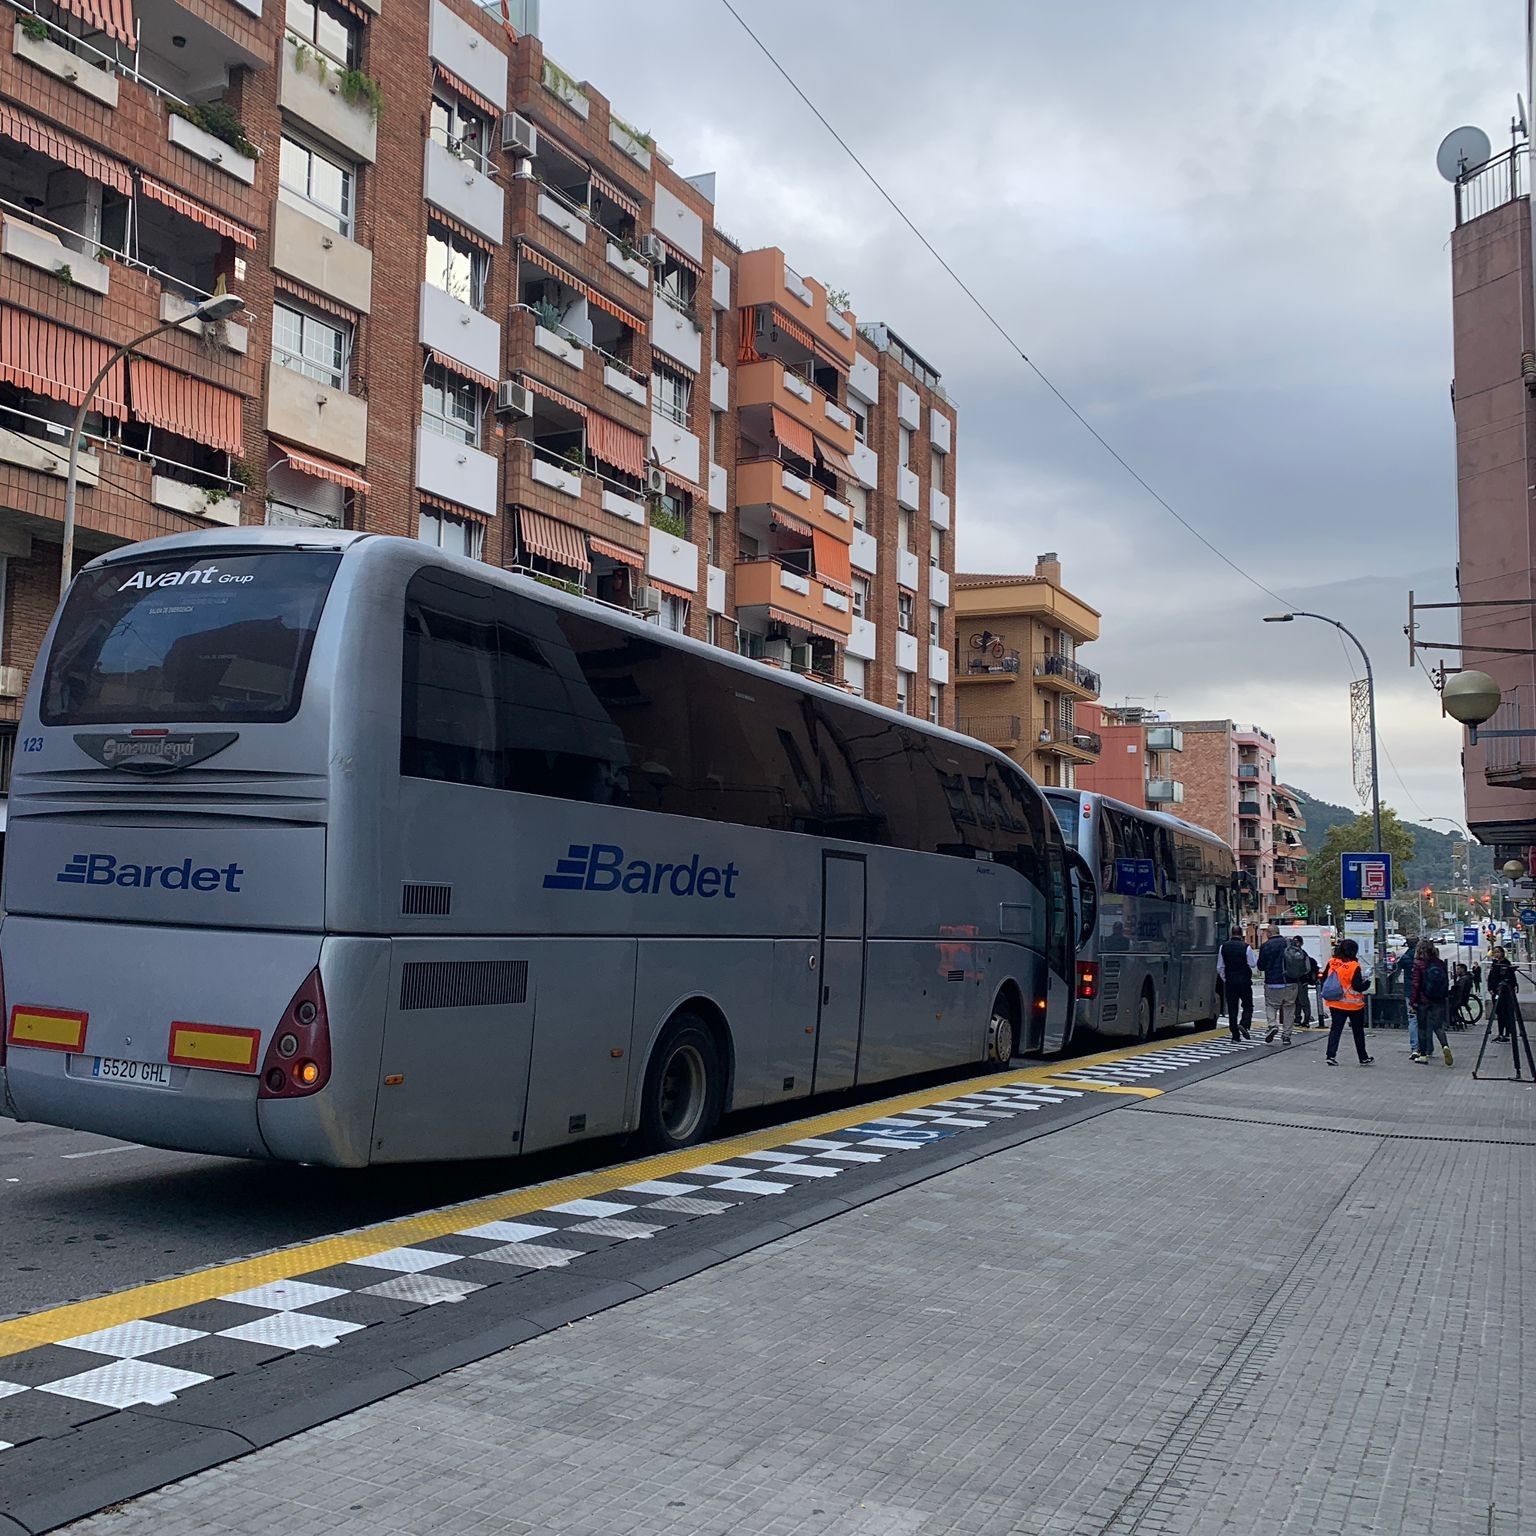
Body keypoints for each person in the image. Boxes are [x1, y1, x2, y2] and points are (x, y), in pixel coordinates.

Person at [1321, 938, 1374, 1066]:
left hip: (1335, 1002)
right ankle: (1363, 1057)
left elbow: (1324, 978)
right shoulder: (1354, 965)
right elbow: (1357, 986)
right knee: (1358, 1032)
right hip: (1353, 1005)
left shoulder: (1332, 962)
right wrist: (1366, 983)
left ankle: (1330, 1055)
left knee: (1335, 1030)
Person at [1409, 938, 1452, 1066]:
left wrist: (1413, 1001)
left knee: (1422, 1028)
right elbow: (1446, 982)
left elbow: (1415, 984)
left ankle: (1423, 1055)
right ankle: (1445, 1046)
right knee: (1438, 1027)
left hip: (1423, 1000)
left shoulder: (1418, 963)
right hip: (1438, 999)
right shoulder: (1440, 963)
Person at [1256, 925, 1294, 1044]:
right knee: (1289, 1008)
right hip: (1291, 982)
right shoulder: (1290, 943)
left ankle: (1272, 1025)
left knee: (1271, 1005)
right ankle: (1286, 1036)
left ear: (1268, 933)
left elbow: (1260, 966)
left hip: (1273, 982)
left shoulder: (1265, 946)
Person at [1217, 926, 1256, 1041]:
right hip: (1244, 980)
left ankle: (1235, 1034)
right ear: (1241, 934)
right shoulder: (1246, 947)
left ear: (1231, 933)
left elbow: (1220, 967)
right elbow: (1253, 964)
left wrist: (1226, 978)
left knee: (1232, 1008)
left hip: (1230, 981)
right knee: (1248, 1005)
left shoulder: (1223, 947)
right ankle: (1244, 1024)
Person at [1285, 935, 1317, 1027]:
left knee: (1295, 1001)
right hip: (1302, 981)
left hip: (1292, 980)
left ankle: (1297, 1019)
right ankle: (1306, 1019)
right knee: (1303, 1001)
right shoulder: (1303, 953)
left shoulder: (1288, 953)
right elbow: (1308, 968)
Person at [1488, 945, 1518, 1041]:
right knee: (1499, 1013)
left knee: (1506, 1013)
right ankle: (1500, 1033)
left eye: (1498, 952)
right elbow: (1491, 977)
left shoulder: (1506, 964)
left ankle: (1507, 1033)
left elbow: (1511, 978)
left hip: (1505, 993)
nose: (1496, 954)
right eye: (1495, 952)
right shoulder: (1495, 964)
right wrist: (1490, 988)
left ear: (1502, 953)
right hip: (1495, 992)